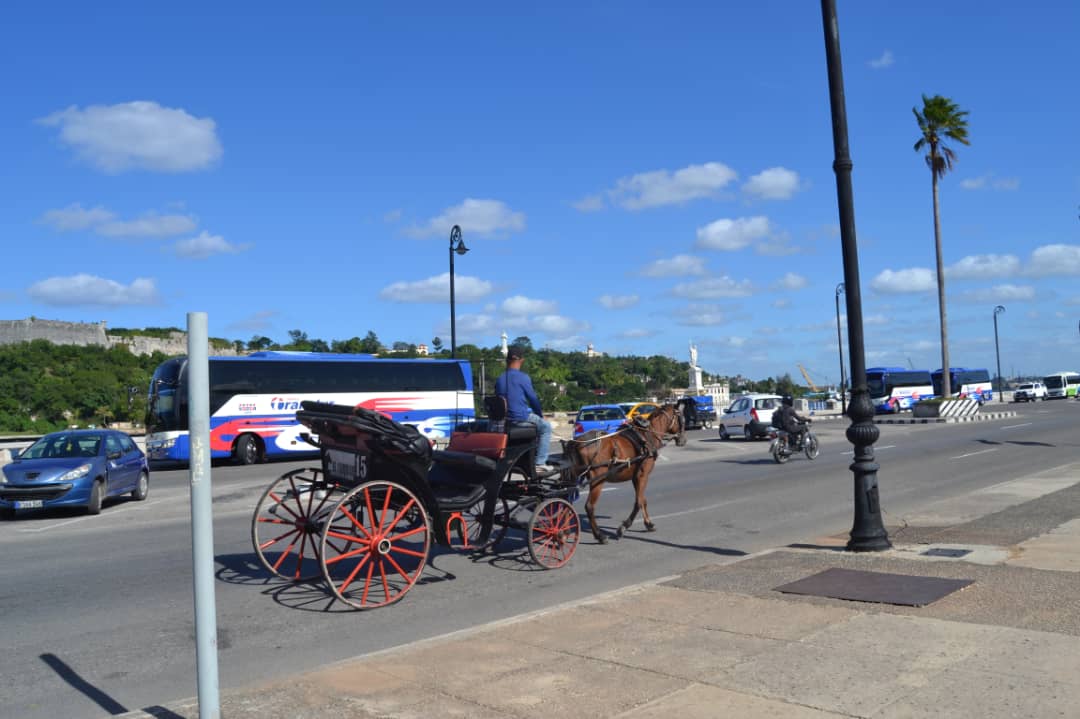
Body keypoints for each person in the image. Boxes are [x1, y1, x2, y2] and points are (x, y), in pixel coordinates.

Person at [495, 345, 554, 472]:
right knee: (546, 427)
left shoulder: (500, 378)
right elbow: (533, 400)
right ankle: (539, 462)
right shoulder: (523, 377)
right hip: (520, 418)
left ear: (507, 360)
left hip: (505, 420)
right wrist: (540, 415)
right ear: (522, 360)